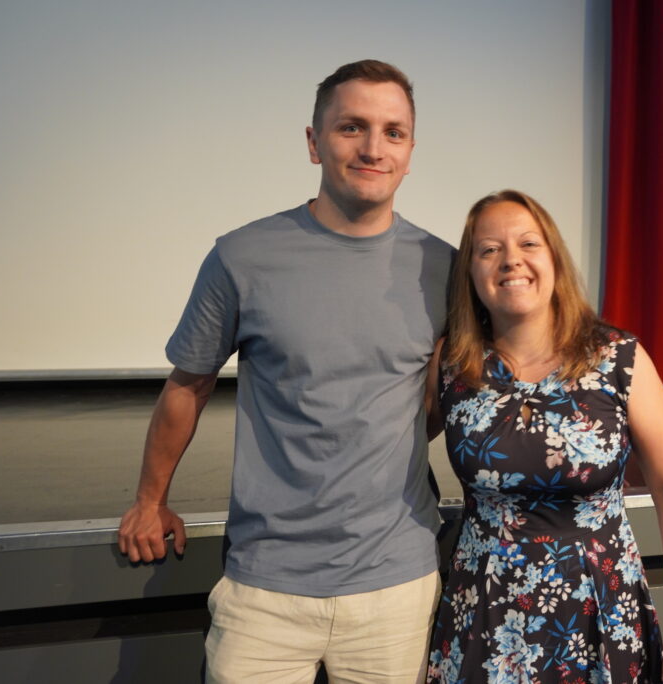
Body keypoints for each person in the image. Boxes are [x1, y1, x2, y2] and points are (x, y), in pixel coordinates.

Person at [116, 60, 454, 683]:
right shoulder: (242, 257)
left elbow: (430, 402)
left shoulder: (443, 269)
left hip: (396, 585)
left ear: (410, 152)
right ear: (314, 142)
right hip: (264, 588)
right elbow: (187, 386)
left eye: (393, 132)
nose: (373, 148)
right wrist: (149, 501)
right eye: (351, 127)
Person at [425, 190, 663, 684]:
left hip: (599, 607)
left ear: (554, 257)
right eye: (489, 249)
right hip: (485, 613)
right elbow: (392, 448)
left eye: (528, 243)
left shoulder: (617, 358)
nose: (511, 260)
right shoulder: (452, 363)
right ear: (470, 271)